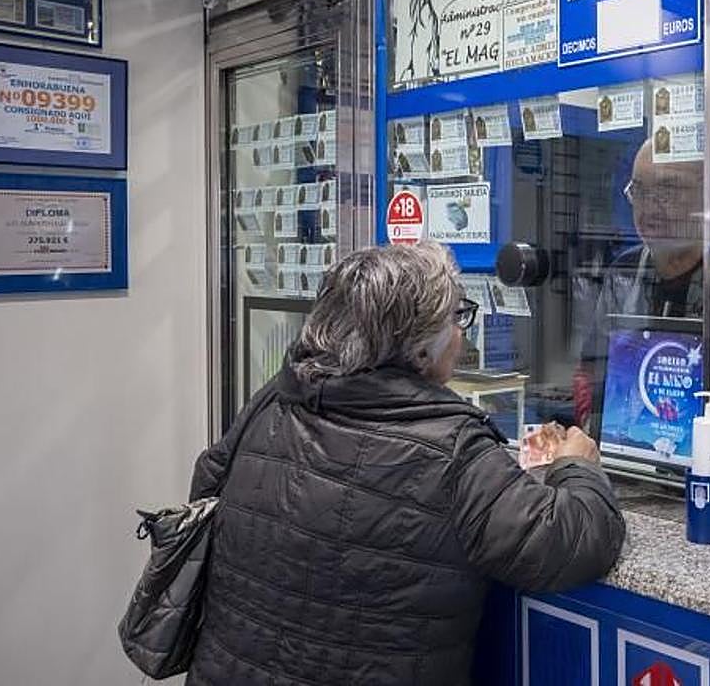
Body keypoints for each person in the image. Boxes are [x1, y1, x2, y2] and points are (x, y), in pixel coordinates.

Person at [186, 243, 626, 686]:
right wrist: (577, 467)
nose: (463, 335)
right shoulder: (451, 448)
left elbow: (208, 483)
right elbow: (569, 544)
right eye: (456, 319)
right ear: (420, 351)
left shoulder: (274, 401)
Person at [573, 139, 707, 433]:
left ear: (707, 195)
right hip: (630, 449)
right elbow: (592, 369)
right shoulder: (624, 270)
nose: (649, 207)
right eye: (640, 191)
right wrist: (592, 431)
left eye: (667, 190)